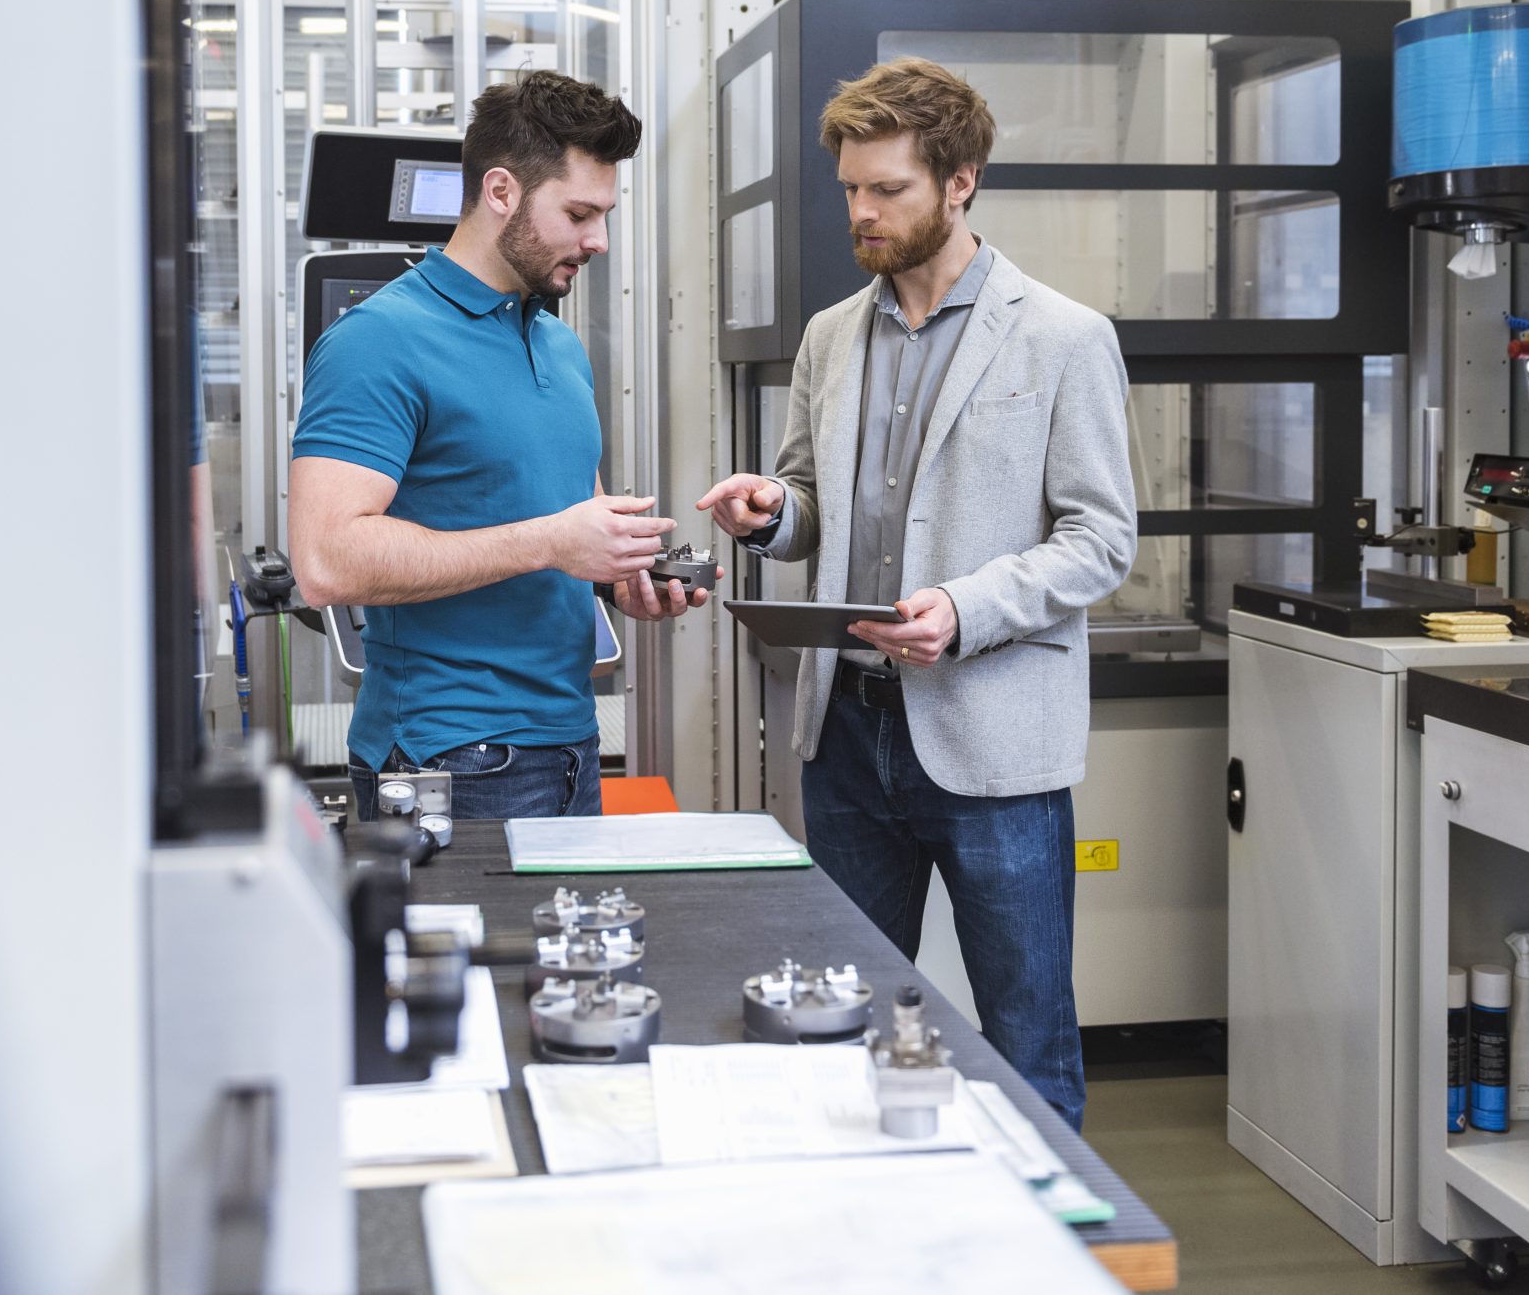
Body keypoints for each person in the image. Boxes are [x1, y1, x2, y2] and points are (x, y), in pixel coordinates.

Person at [697, 57, 1135, 1128]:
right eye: (850, 187)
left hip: (993, 743)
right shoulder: (829, 336)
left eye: (886, 189)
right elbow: (808, 501)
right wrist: (770, 508)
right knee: (835, 1016)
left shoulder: (1063, 337)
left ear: (960, 181)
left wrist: (966, 607)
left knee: (1026, 1032)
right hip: (845, 735)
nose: (861, 211)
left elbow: (1101, 538)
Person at [290, 72, 716, 821]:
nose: (599, 241)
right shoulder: (378, 342)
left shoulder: (559, 347)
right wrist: (552, 541)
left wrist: (622, 577)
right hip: (450, 757)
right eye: (579, 213)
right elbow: (326, 561)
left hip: (570, 745)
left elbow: (558, 529)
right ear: (500, 192)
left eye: (605, 214)